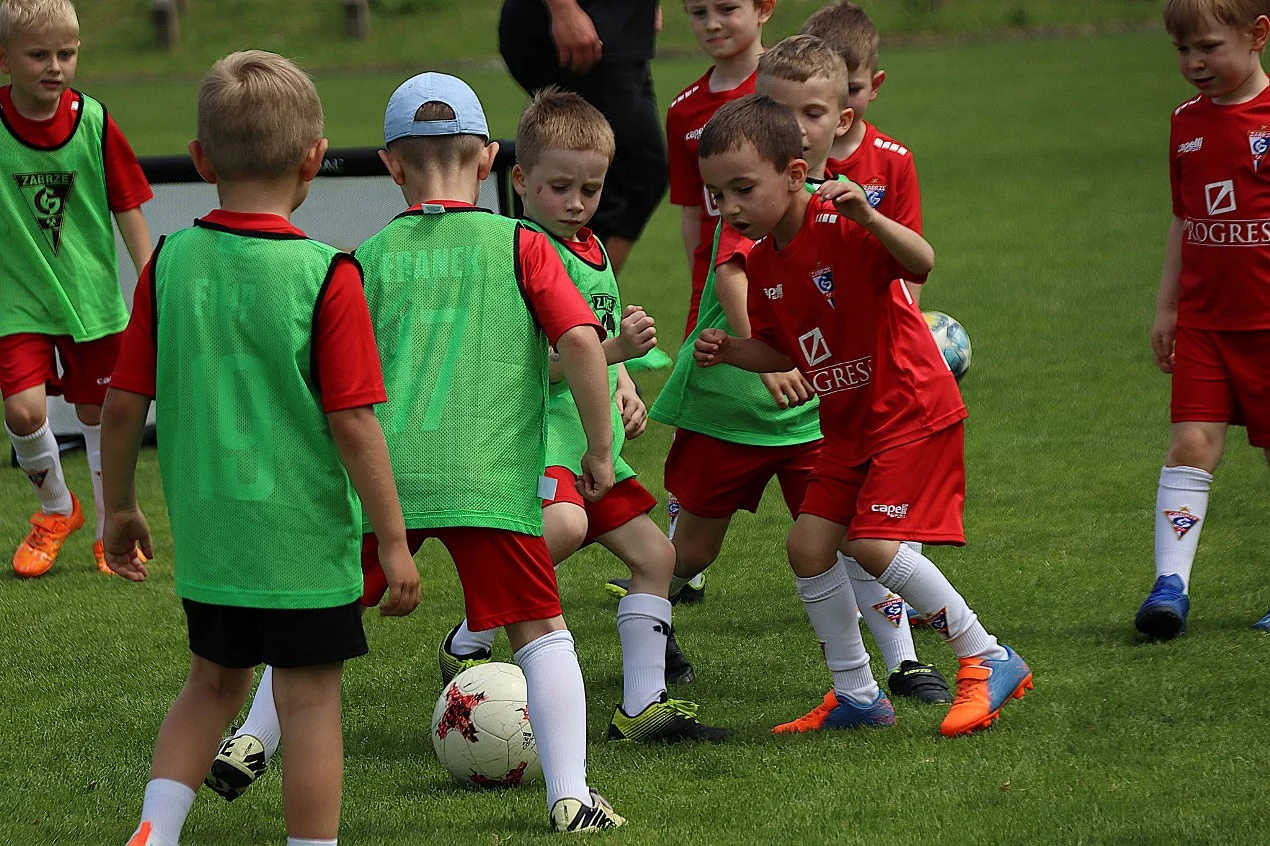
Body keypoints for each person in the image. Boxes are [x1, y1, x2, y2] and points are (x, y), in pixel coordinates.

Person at [102, 50, 421, 846]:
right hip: (302, 544)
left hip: (213, 539)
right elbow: (354, 423)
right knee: (309, 701)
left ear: (201, 159)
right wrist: (392, 538)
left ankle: (156, 831)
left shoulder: (168, 262)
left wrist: (118, 508)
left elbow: (120, 404)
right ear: (315, 159)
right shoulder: (325, 274)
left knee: (210, 684)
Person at [694, 94, 1033, 737]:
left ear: (795, 175)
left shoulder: (841, 222)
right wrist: (736, 351)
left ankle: (986, 655)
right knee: (807, 545)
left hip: (908, 410)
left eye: (743, 189)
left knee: (869, 542)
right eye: (718, 194)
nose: (731, 208)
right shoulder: (764, 262)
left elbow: (921, 262)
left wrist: (871, 219)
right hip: (849, 426)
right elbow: (789, 347)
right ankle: (856, 694)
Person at [629, 37, 951, 705]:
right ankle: (649, 621)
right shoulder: (749, 196)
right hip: (733, 402)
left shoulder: (834, 204)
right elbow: (734, 270)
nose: (792, 127)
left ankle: (903, 664)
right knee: (691, 552)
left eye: (808, 112)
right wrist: (763, 355)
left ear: (841, 118)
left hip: (815, 408)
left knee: (846, 535)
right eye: (777, 110)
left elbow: (889, 275)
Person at [439, 87, 732, 744]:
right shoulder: (516, 255)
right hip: (540, 439)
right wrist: (614, 352)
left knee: (656, 555)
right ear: (519, 180)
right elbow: (530, 365)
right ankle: (474, 631)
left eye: (591, 189)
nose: (576, 203)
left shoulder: (594, 252)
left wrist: (624, 382)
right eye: (559, 187)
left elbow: (595, 336)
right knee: (563, 528)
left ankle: (642, 707)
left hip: (592, 441)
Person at [0, 0, 152, 577]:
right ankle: (56, 510)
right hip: (18, 301)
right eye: (38, 54)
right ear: (5, 60)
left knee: (100, 413)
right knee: (21, 410)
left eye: (66, 53)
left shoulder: (93, 120)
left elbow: (128, 203)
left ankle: (108, 527)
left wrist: (149, 280)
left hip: (92, 300)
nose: (55, 65)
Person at [1137, 0, 1270, 639]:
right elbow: (1185, 219)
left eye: (1209, 47)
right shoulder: (1185, 123)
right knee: (1192, 444)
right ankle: (1170, 587)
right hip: (1206, 326)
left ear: (1258, 35)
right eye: (1182, 50)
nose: (1194, 63)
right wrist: (1168, 307)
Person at [498, 0, 665, 275]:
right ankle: (554, 297)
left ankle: (579, 296)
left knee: (640, 172)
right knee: (604, 169)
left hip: (621, 30)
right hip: (582, 27)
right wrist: (562, 8)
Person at [667, 0, 774, 334]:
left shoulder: (788, 86)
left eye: (727, 9)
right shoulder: (683, 111)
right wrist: (700, 281)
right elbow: (691, 210)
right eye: (699, 13)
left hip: (781, 264)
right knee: (702, 375)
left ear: (764, 9)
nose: (712, 24)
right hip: (715, 278)